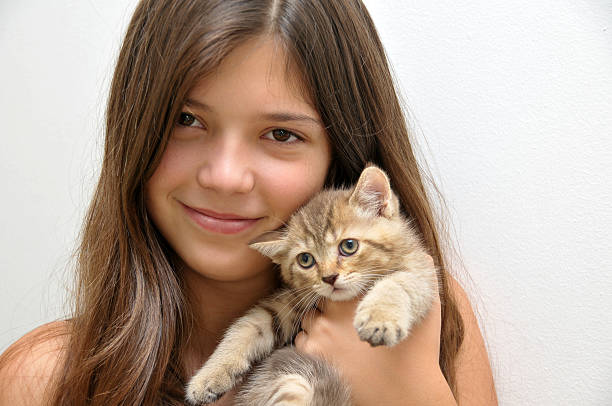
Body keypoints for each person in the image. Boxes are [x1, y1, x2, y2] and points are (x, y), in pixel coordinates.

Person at [0, 0, 497, 404]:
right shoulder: (47, 379)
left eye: (280, 133)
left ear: (340, 155)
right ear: (135, 130)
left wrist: (406, 394)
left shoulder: (433, 320)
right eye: (186, 120)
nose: (224, 177)